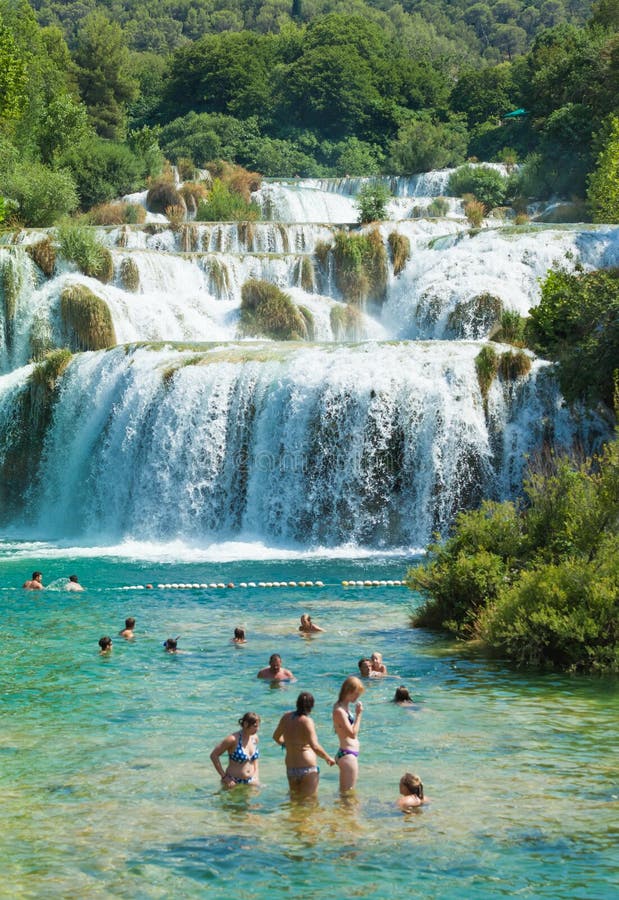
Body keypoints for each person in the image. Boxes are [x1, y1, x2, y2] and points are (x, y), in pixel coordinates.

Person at [273, 692, 335, 797]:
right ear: (311, 706)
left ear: (297, 703)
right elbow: (315, 746)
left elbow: (276, 737)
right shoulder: (307, 721)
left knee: (294, 801)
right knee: (310, 802)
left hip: (291, 768)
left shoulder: (286, 717)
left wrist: (287, 744)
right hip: (307, 768)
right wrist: (327, 758)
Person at [210, 712, 261, 787]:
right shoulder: (232, 739)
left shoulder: (254, 738)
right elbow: (214, 755)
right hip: (233, 782)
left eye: (258, 726)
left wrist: (256, 776)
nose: (258, 729)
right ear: (246, 724)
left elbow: (255, 760)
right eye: (255, 726)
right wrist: (224, 777)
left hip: (251, 782)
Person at [332, 676, 364, 792]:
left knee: (347, 793)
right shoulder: (339, 710)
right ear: (349, 691)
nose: (358, 697)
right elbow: (352, 734)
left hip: (348, 753)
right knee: (348, 794)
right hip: (347, 754)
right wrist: (359, 714)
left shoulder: (344, 707)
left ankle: (342, 810)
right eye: (356, 693)